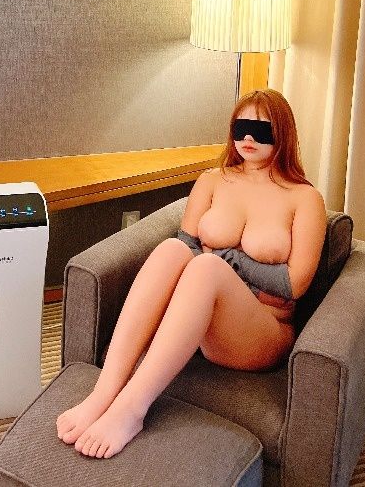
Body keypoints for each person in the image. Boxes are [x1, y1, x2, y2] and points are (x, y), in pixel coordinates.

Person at [56, 88, 326, 459]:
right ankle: (104, 392)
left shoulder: (304, 197)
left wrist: (227, 259)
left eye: (262, 129)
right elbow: (188, 246)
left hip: (262, 331)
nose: (248, 137)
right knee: (172, 250)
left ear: (283, 133)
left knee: (208, 266)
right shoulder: (213, 180)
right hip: (203, 316)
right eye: (241, 126)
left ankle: (131, 410)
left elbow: (294, 285)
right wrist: (242, 269)